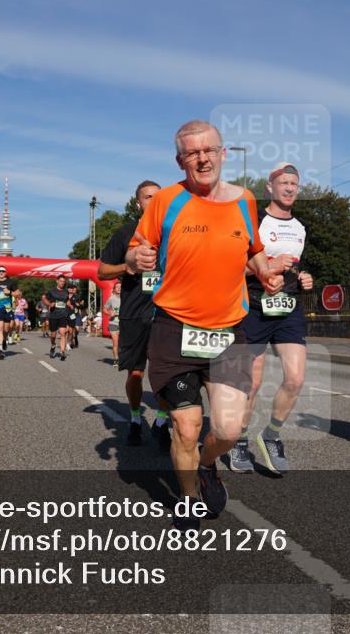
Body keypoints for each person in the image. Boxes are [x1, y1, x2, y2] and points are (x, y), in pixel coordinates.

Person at [126, 120, 283, 529]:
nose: (203, 158)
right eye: (193, 153)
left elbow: (251, 249)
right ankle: (190, 497)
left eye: (209, 150)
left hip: (228, 332)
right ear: (180, 161)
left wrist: (264, 273)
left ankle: (205, 466)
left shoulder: (245, 201)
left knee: (229, 430)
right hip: (174, 330)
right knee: (186, 426)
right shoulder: (165, 201)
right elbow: (136, 253)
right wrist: (136, 260)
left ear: (223, 153)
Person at [230, 162, 314, 475]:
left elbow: (292, 267)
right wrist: (265, 266)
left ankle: (271, 435)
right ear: (270, 187)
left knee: (296, 378)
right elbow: (235, 263)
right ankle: (238, 440)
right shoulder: (254, 222)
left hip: (288, 307)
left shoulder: (301, 228)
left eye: (295, 183)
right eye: (284, 183)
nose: (290, 188)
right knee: (251, 382)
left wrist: (303, 277)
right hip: (254, 306)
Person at [99, 180, 172, 448]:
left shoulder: (173, 232)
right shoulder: (125, 233)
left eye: (158, 197)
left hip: (168, 313)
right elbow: (102, 271)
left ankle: (163, 422)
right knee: (137, 374)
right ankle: (134, 419)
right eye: (148, 197)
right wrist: (127, 267)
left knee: (167, 375)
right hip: (134, 313)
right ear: (138, 202)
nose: (153, 202)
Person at [44, 274, 71, 361]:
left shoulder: (66, 292)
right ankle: (53, 345)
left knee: (63, 333)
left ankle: (63, 352)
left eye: (64, 281)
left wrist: (70, 305)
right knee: (53, 335)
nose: (62, 283)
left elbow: (67, 302)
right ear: (57, 281)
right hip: (53, 315)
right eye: (61, 281)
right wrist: (49, 304)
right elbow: (44, 298)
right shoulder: (52, 291)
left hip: (63, 315)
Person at [104, 281, 122, 368]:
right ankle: (116, 359)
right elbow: (105, 309)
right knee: (116, 343)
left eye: (120, 287)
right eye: (117, 287)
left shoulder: (126, 298)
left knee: (123, 343)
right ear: (114, 289)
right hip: (113, 323)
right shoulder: (111, 298)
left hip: (124, 323)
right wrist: (109, 313)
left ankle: (122, 358)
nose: (119, 288)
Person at [67, 283, 85, 349]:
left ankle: (75, 337)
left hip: (76, 315)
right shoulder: (66, 295)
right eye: (71, 289)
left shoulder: (77, 297)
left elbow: (81, 306)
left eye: (74, 289)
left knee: (76, 329)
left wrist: (80, 305)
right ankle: (71, 342)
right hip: (69, 314)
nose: (73, 290)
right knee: (70, 330)